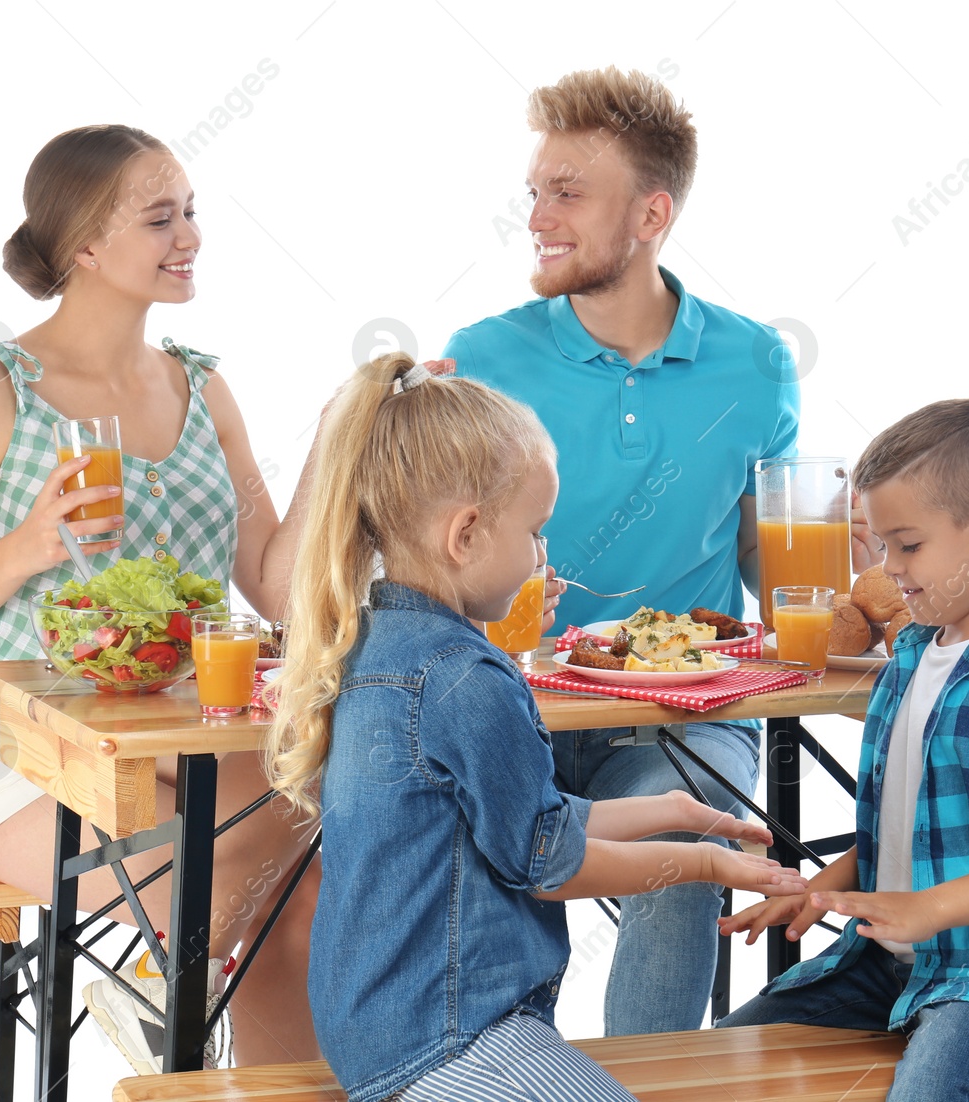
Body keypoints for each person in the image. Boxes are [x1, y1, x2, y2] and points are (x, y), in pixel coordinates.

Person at [441, 64, 874, 1036]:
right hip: (514, 711)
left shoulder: (753, 360)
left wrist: (848, 553)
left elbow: (783, 579)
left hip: (678, 723)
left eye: (568, 194)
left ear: (650, 215)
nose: (538, 216)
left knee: (691, 832)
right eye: (536, 192)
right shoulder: (482, 356)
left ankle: (647, 1081)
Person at [0, 125, 324, 1074]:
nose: (190, 236)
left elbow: (276, 585)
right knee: (235, 879)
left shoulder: (204, 389)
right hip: (27, 760)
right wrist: (29, 547)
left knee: (321, 846)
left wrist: (337, 446)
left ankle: (228, 1051)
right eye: (160, 218)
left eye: (192, 212)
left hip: (183, 744)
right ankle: (175, 1018)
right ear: (83, 245)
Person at [264, 354, 808, 1102]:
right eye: (538, 532)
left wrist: (678, 815)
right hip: (453, 1037)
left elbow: (523, 821)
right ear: (467, 534)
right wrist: (706, 865)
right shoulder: (466, 677)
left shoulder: (372, 642)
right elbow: (548, 864)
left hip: (376, 1028)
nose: (544, 558)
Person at [715, 399, 969, 1102]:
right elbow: (910, 830)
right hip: (883, 966)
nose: (888, 567)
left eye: (908, 545)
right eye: (882, 545)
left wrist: (928, 911)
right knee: (722, 1068)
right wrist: (820, 888)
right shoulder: (911, 655)